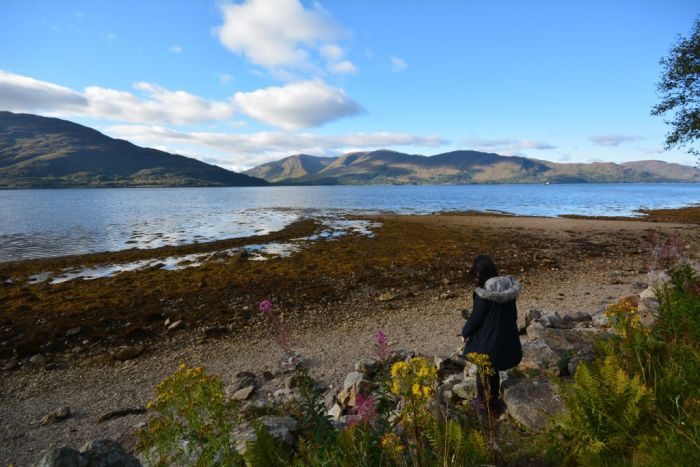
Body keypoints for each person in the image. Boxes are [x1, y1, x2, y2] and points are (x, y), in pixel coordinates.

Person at [461, 255, 522, 416]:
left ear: (479, 272)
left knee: (483, 369)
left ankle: (482, 402)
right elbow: (514, 315)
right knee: (493, 369)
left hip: (489, 339)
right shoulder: (509, 290)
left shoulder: (483, 294)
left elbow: (476, 318)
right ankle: (494, 400)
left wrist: (465, 333)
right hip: (506, 337)